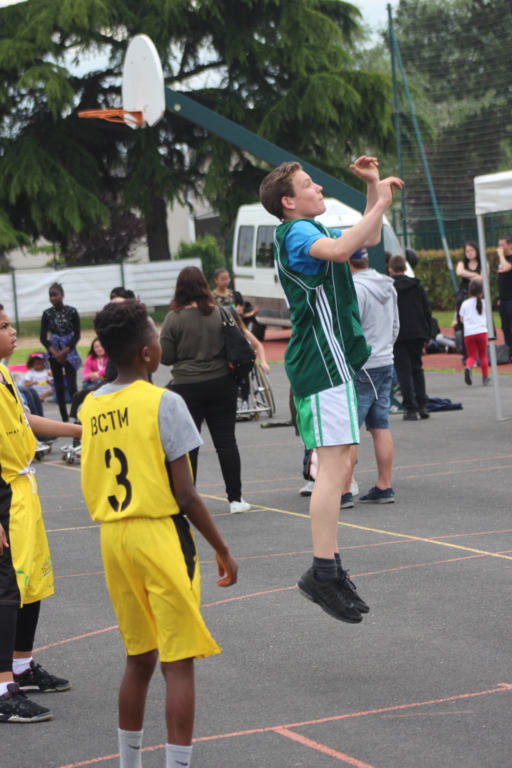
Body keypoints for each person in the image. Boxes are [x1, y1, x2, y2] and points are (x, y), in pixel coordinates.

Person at [79, 300, 238, 768]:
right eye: (155, 335)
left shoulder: (91, 405)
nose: (158, 342)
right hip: (159, 535)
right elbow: (185, 494)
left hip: (114, 539)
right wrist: (223, 548)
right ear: (147, 353)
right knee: (177, 661)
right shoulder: (164, 402)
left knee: (139, 657)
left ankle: (129, 764)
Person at [259, 155, 403, 622]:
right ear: (288, 201)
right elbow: (343, 251)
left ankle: (331, 568)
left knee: (339, 468)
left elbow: (367, 238)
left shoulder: (306, 229)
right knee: (332, 470)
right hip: (321, 362)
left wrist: (373, 189)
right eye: (308, 184)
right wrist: (379, 201)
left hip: (330, 360)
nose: (318, 188)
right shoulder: (297, 232)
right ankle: (322, 572)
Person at [0, 304, 82, 724]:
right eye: (4, 326)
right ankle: (2, 690)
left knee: (30, 583)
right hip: (3, 494)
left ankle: (21, 666)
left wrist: (82, 430)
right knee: (6, 590)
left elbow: (26, 422)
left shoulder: (3, 374)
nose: (13, 331)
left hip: (22, 491)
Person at [160, 266, 251, 514]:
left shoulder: (173, 318)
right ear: (204, 285)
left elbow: (166, 357)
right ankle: (235, 499)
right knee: (226, 442)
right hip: (221, 382)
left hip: (186, 386)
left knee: (189, 445)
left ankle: (187, 500)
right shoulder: (220, 313)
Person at [347, 247, 399, 504]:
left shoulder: (355, 288)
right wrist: (385, 348)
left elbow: (351, 329)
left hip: (363, 364)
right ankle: (384, 484)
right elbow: (395, 325)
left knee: (348, 431)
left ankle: (344, 488)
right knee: (380, 425)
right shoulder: (387, 285)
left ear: (348, 261)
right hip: (385, 360)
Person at [388, 255, 431, 421]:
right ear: (405, 268)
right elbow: (426, 310)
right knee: (417, 368)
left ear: (390, 269)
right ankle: (423, 404)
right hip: (417, 331)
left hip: (398, 333)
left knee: (403, 371)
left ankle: (410, 408)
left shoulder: (388, 287)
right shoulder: (417, 285)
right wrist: (428, 333)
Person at [39, 283, 81, 421]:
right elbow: (42, 337)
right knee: (59, 387)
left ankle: (77, 416)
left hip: (69, 351)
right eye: (50, 295)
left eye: (55, 295)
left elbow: (77, 335)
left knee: (72, 387)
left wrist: (64, 352)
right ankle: (64, 418)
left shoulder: (72, 312)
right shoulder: (47, 314)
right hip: (54, 352)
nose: (53, 298)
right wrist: (55, 353)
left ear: (62, 295)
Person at [460, 279, 490, 386]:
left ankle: (468, 367)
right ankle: (485, 377)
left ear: (469, 291)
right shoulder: (485, 303)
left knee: (471, 356)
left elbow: (461, 319)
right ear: (481, 292)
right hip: (481, 332)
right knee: (483, 355)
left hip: (469, 333)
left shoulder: (465, 304)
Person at [496, 236, 512, 359]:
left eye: (503, 245)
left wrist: (501, 255)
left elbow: (507, 268)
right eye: (499, 245)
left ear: (510, 245)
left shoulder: (507, 260)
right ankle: (508, 350)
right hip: (503, 299)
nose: (500, 248)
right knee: (505, 326)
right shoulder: (502, 261)